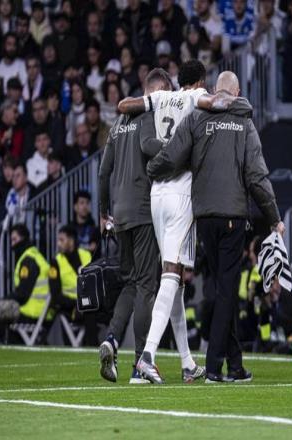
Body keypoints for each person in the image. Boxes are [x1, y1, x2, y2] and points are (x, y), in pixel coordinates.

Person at [147, 71, 284, 383]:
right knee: (226, 291)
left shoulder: (196, 118)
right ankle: (213, 366)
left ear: (215, 91)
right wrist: (274, 217)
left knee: (222, 289)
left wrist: (151, 170)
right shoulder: (244, 123)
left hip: (204, 218)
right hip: (232, 216)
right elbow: (256, 177)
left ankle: (235, 365)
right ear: (236, 92)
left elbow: (171, 155)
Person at [116, 61, 232, 384]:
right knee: (171, 273)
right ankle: (148, 356)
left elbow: (123, 105)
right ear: (201, 82)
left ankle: (186, 362)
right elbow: (217, 103)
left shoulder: (161, 98)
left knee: (176, 279)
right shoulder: (195, 97)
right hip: (182, 194)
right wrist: (228, 98)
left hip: (156, 196)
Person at [98, 69, 172, 384]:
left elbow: (103, 172)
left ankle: (112, 339)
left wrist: (103, 214)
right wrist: (177, 148)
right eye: (168, 92)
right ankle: (141, 363)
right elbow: (148, 147)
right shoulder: (148, 114)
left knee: (130, 283)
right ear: (158, 91)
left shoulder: (118, 124)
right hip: (143, 210)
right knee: (145, 286)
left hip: (119, 214)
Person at [48, 224, 91, 316]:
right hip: (68, 308)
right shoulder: (55, 262)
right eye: (58, 240)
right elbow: (55, 295)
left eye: (62, 240)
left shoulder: (86, 255)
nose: (58, 244)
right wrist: (77, 303)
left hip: (89, 305)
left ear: (71, 241)